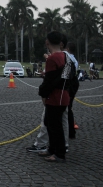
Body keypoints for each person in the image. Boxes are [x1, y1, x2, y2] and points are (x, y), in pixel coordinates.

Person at [37, 31, 71, 162]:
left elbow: (49, 81)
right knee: (49, 122)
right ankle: (51, 149)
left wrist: (43, 94)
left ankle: (59, 153)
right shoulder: (65, 57)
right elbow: (66, 77)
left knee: (55, 126)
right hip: (64, 94)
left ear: (47, 42)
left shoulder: (52, 59)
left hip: (55, 96)